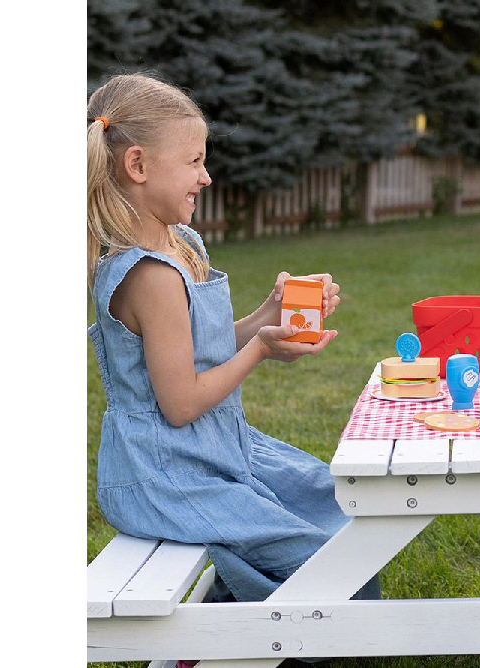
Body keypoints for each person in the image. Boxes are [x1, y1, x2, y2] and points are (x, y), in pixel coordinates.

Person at [87, 73, 380, 610]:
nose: (206, 176)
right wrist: (261, 349)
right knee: (328, 559)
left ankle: (242, 613)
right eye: (194, 161)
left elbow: (201, 347)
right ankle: (240, 634)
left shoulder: (182, 244)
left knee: (335, 504)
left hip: (215, 450)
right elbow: (181, 404)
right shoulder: (148, 276)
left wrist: (269, 314)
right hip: (166, 476)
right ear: (137, 165)